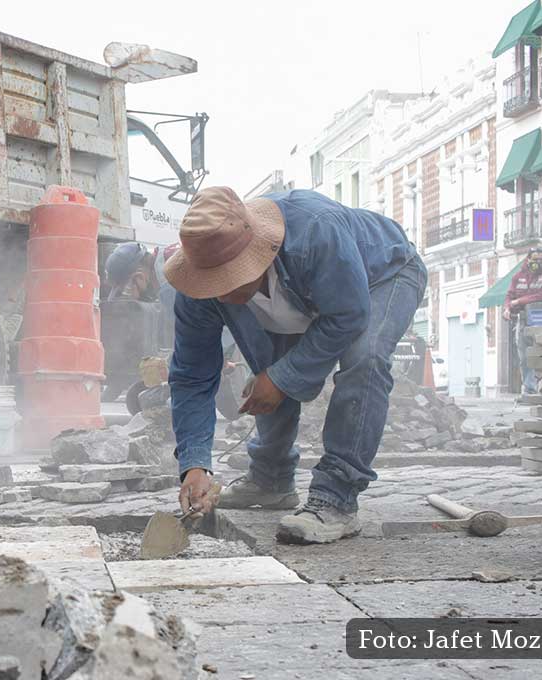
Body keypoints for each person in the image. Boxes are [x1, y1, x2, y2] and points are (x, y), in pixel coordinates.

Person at [164, 186, 427, 544]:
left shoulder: (316, 232)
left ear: (258, 249)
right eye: (214, 281)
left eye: (231, 277)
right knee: (267, 369)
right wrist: (194, 465)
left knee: (365, 356)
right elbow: (192, 376)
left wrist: (283, 378)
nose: (222, 293)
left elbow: (348, 316)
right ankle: (270, 479)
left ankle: (336, 498)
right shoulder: (199, 286)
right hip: (312, 292)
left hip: (383, 274)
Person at [503, 247, 542, 395]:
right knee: (524, 356)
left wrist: (519, 301)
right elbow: (509, 295)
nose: (538, 263)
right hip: (523, 321)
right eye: (535, 260)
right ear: (528, 260)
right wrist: (507, 308)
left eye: (541, 260)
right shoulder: (518, 277)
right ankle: (529, 387)